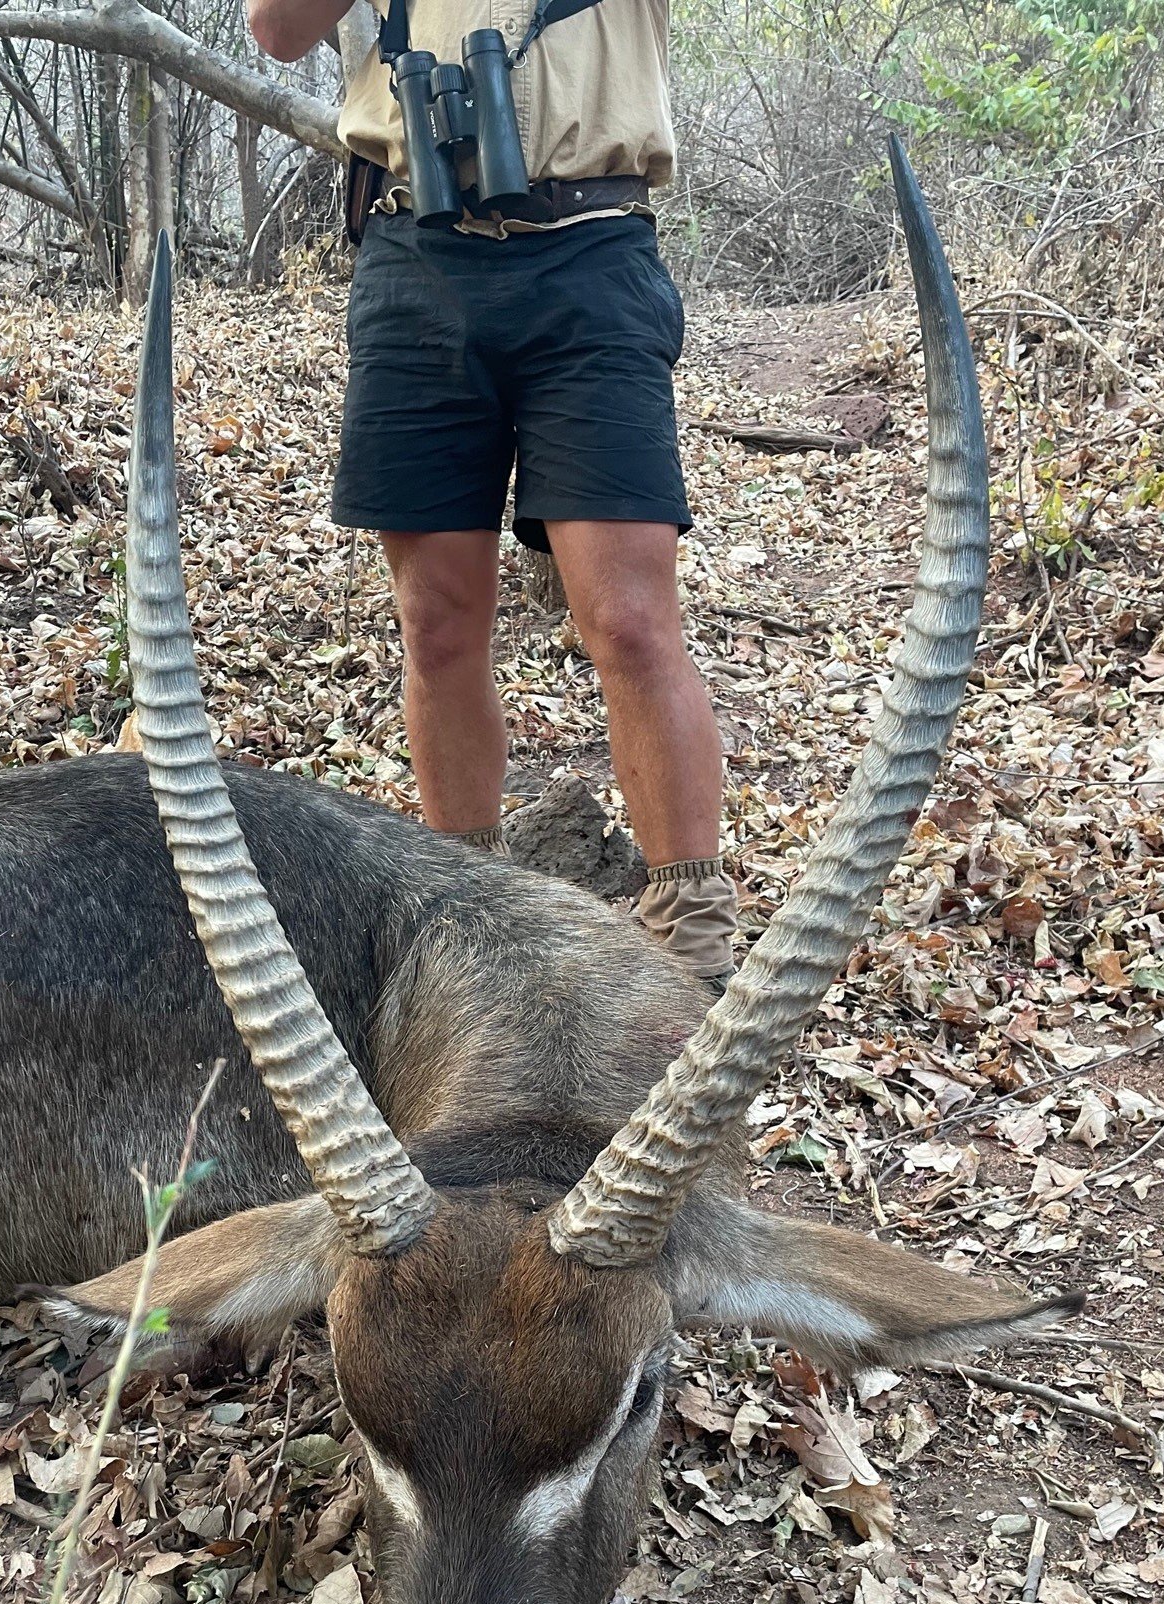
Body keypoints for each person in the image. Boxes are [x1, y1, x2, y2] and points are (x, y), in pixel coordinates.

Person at [247, 0, 737, 984]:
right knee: (435, 622)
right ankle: (471, 918)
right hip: (414, 252)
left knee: (632, 620)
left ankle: (691, 933)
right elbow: (276, 29)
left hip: (592, 249)